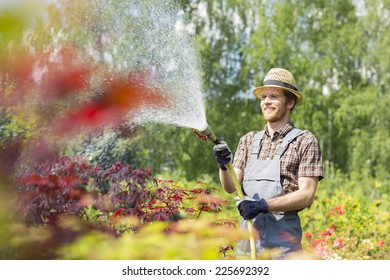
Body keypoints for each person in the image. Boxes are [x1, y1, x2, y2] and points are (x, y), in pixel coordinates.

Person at [213, 68, 323, 259]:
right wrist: (224, 166)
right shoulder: (248, 140)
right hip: (247, 248)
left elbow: (306, 195)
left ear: (290, 102)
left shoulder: (304, 141)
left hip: (283, 251)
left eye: (273, 96)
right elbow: (231, 186)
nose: (266, 102)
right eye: (263, 97)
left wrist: (264, 205)